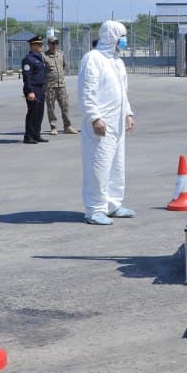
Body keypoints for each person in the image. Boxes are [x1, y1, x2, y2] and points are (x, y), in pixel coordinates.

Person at [77, 20, 136, 225]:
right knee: (98, 166)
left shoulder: (117, 61)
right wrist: (94, 117)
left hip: (117, 122)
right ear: (112, 37)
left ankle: (112, 204)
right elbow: (87, 92)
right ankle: (94, 209)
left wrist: (127, 113)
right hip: (100, 124)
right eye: (122, 36)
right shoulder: (93, 59)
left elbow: (122, 92)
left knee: (116, 166)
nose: (124, 41)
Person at [44, 35, 79, 135]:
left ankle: (67, 126)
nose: (54, 45)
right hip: (50, 86)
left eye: (56, 43)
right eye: (52, 43)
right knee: (51, 107)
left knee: (65, 106)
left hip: (61, 86)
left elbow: (63, 66)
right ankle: (53, 127)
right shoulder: (44, 56)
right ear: (49, 44)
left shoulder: (61, 54)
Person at [20, 35, 49, 144]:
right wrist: (30, 91)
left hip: (40, 88)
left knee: (39, 113)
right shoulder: (28, 59)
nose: (41, 46)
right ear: (33, 46)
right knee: (33, 113)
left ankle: (36, 134)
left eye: (41, 44)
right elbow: (27, 77)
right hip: (33, 89)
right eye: (39, 44)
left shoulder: (39, 57)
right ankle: (28, 136)